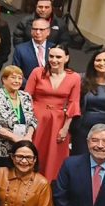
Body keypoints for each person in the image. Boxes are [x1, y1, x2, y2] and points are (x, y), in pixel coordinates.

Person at [25, 45, 80, 179]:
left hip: (58, 122)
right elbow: (26, 97)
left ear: (66, 58)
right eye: (51, 56)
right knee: (34, 150)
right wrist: (29, 122)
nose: (54, 60)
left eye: (58, 57)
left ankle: (49, 184)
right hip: (36, 119)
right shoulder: (37, 72)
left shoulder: (75, 77)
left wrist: (65, 128)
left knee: (54, 156)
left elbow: (74, 103)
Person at [0, 66, 37, 169]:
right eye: (13, 77)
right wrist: (14, 137)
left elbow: (33, 120)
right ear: (4, 79)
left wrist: (28, 137)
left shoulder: (26, 96)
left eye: (20, 78)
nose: (17, 81)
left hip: (20, 150)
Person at [11, 18, 54, 89]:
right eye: (35, 29)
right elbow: (15, 72)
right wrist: (32, 86)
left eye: (41, 29)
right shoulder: (20, 49)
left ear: (48, 32)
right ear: (31, 31)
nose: (37, 32)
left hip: (50, 89)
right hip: (27, 89)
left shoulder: (54, 48)